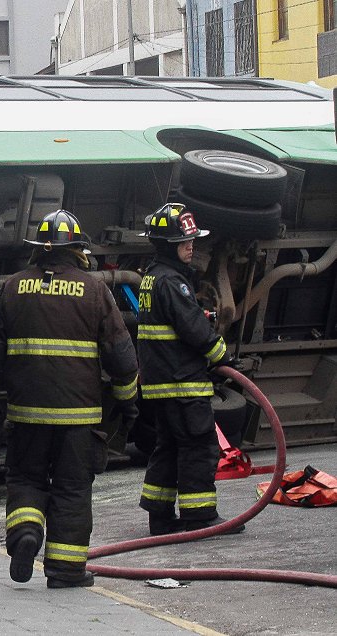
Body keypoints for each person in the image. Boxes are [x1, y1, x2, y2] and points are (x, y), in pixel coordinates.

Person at [0, 209, 139, 589]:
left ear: (39, 250)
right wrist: (128, 401)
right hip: (79, 417)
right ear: (78, 250)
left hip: (26, 413)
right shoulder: (95, 290)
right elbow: (121, 354)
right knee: (72, 488)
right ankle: (65, 570)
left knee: (27, 477)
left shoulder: (12, 288)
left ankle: (26, 533)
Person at [136, 203, 242, 536]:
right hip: (182, 383)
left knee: (168, 448)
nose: (191, 246)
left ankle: (161, 516)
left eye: (192, 240)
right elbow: (196, 330)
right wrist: (223, 358)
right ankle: (200, 516)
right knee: (199, 446)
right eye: (185, 241)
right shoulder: (173, 283)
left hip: (161, 384)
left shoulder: (152, 279)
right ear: (168, 244)